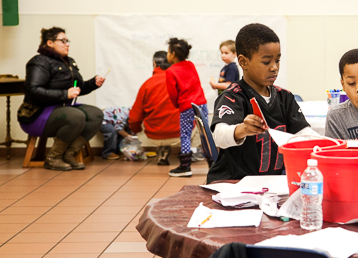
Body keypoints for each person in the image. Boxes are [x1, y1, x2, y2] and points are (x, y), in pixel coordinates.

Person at [207, 23, 319, 183]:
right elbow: (219, 136)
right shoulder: (233, 96)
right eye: (266, 62)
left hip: (269, 184)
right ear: (243, 62)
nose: (274, 67)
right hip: (232, 183)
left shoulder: (284, 97)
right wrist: (242, 130)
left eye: (278, 60)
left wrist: (328, 144)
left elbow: (304, 134)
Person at [17, 27, 104, 171]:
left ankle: (69, 153)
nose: (67, 44)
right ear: (50, 43)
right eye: (62, 41)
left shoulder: (69, 62)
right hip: (36, 115)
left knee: (96, 114)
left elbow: (77, 89)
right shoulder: (39, 61)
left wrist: (93, 83)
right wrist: (64, 94)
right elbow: (33, 90)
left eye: (67, 41)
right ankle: (53, 158)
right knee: (76, 116)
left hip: (61, 110)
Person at [129, 51, 181, 165]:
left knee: (139, 120)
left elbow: (135, 117)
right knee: (198, 118)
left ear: (154, 63)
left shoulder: (147, 84)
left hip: (154, 135)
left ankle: (162, 148)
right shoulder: (180, 81)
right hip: (180, 133)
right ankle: (193, 152)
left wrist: (136, 130)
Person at [165, 38, 208, 177]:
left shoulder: (171, 71)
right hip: (201, 103)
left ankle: (185, 166)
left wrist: (177, 104)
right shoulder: (190, 65)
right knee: (205, 134)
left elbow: (173, 93)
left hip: (186, 106)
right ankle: (213, 163)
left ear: (172, 53)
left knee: (185, 134)